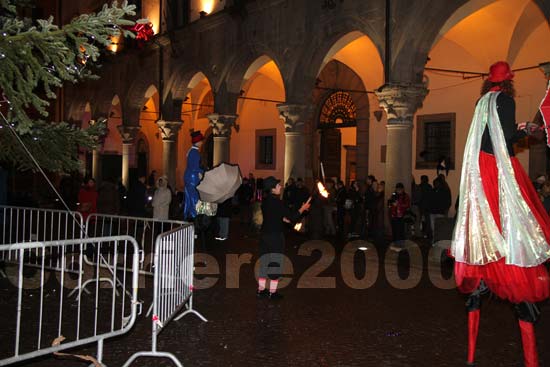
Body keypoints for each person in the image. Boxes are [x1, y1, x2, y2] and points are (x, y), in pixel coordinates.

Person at [451, 61, 550, 367]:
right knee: (516, 218)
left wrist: (514, 130)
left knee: (487, 225)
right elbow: (504, 141)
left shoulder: (482, 102)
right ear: (508, 83)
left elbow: (490, 137)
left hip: (478, 172)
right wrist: (524, 131)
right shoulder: (505, 100)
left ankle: (470, 355)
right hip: (494, 169)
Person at [257, 176, 310, 300]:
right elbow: (292, 217)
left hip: (265, 235)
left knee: (264, 262)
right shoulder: (277, 202)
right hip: (275, 236)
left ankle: (261, 290)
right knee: (275, 263)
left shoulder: (265, 201)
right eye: (277, 185)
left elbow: (273, 215)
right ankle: (272, 292)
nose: (280, 186)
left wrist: (281, 218)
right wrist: (303, 208)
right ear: (272, 189)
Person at [183, 131, 205, 220]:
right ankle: (194, 216)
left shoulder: (191, 151)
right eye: (201, 141)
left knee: (189, 197)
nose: (202, 143)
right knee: (194, 197)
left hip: (189, 176)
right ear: (198, 141)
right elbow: (195, 167)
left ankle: (189, 215)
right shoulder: (195, 152)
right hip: (193, 177)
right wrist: (202, 172)